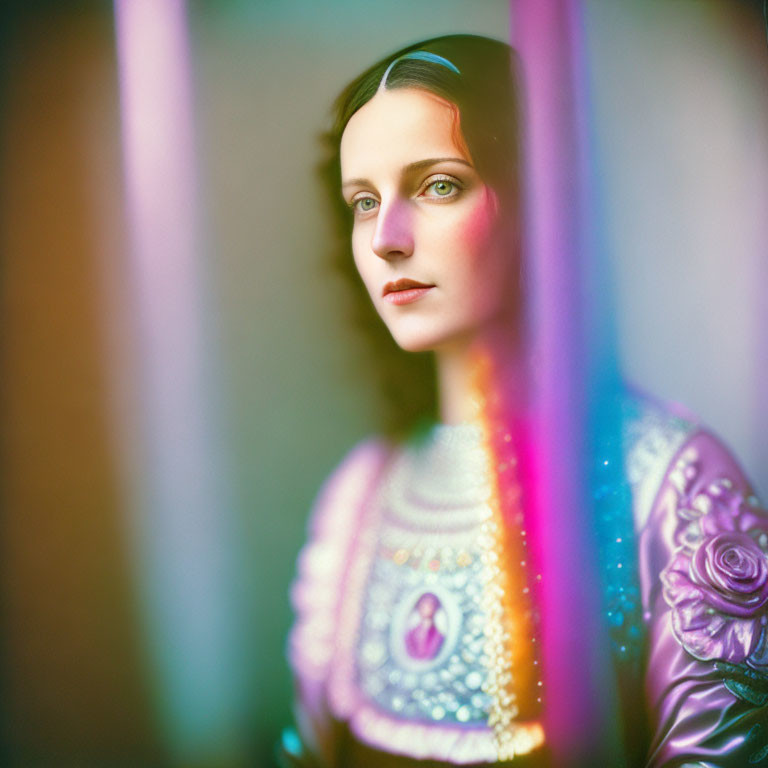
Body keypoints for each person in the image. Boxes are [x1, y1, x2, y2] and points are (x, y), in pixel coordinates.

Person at [283, 34, 768, 768]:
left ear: (539, 198)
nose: (385, 238)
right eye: (363, 201)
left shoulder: (671, 482)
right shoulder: (361, 495)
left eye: (439, 184)